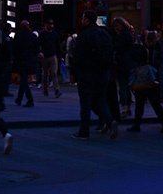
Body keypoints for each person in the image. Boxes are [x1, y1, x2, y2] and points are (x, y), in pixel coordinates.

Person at [70, 10, 116, 140]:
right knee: (100, 98)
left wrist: (73, 73)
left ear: (86, 19)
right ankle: (110, 121)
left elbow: (78, 55)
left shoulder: (84, 34)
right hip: (103, 72)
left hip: (87, 72)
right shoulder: (104, 33)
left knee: (85, 102)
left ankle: (84, 131)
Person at [126, 30, 163, 133]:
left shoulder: (144, 50)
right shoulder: (158, 49)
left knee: (139, 104)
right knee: (156, 103)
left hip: (143, 79)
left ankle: (136, 125)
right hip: (152, 79)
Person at [110, 17, 135, 119]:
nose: (116, 28)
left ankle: (125, 107)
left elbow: (116, 46)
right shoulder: (127, 34)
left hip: (123, 64)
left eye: (117, 26)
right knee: (126, 86)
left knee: (123, 86)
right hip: (127, 63)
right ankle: (127, 107)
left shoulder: (123, 36)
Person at [11, 19, 40, 107]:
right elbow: (37, 49)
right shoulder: (33, 36)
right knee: (24, 80)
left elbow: (15, 49)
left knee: (23, 80)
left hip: (21, 61)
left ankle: (29, 99)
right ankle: (19, 99)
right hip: (31, 61)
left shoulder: (18, 36)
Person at [38, 19, 62, 97]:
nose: (51, 26)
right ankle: (46, 89)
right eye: (49, 24)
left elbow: (58, 46)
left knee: (53, 73)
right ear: (46, 25)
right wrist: (39, 52)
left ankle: (56, 90)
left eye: (51, 24)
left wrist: (60, 56)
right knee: (45, 74)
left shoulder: (54, 34)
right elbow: (38, 44)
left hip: (52, 55)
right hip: (46, 56)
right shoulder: (42, 34)